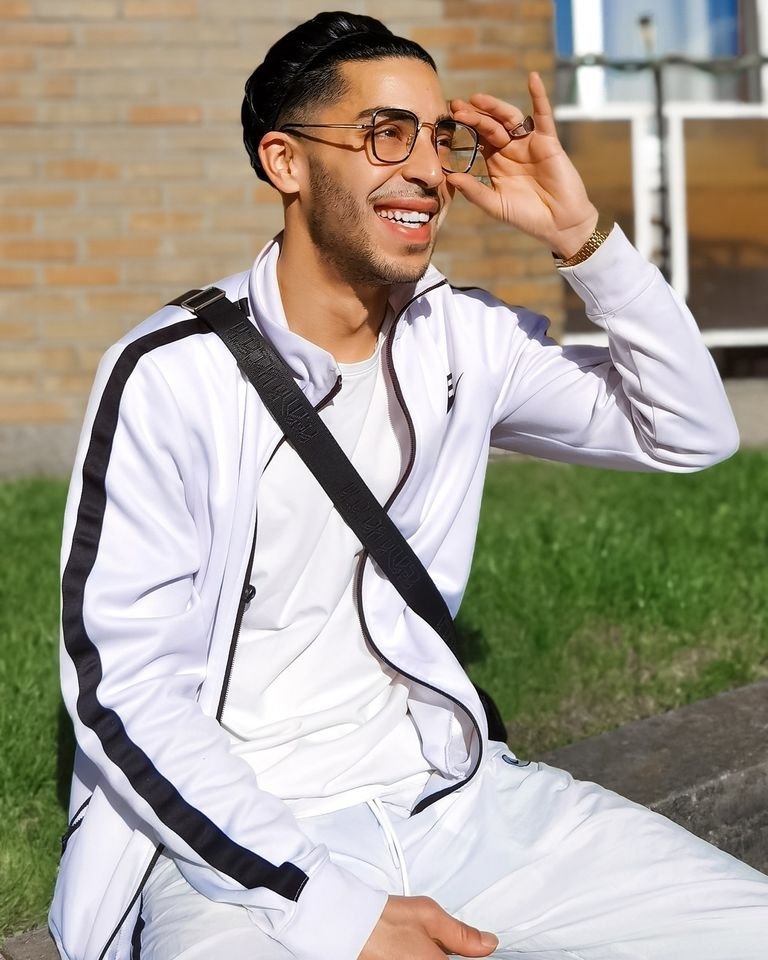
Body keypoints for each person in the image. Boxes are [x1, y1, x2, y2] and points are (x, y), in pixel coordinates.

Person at [49, 10, 768, 960]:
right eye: (386, 134)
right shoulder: (171, 375)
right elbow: (123, 690)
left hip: (468, 808)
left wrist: (582, 239)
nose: (430, 169)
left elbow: (690, 432)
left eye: (440, 135)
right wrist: (327, 909)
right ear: (285, 161)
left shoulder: (461, 337)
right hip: (240, 862)